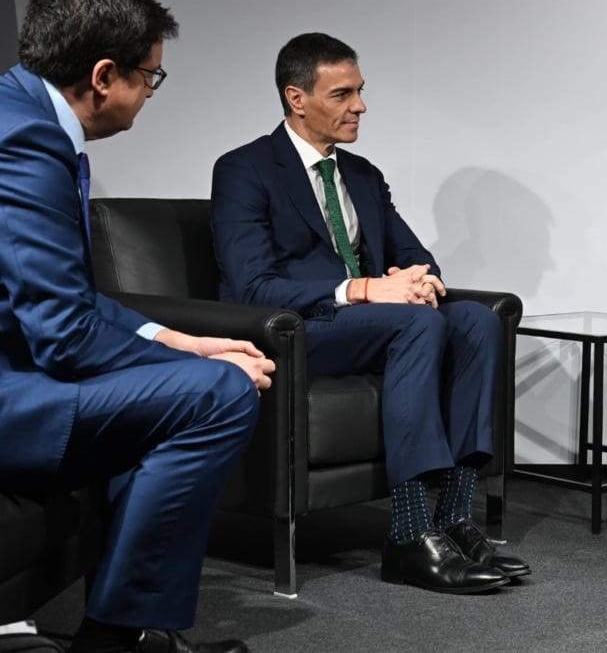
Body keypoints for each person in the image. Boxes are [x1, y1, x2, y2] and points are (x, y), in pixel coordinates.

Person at [0, 0, 276, 652]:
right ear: (103, 76)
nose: (152, 93)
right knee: (219, 394)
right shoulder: (25, 142)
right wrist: (197, 363)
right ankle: (120, 637)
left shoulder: (21, 112)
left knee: (187, 387)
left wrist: (178, 337)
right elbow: (63, 333)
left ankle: (138, 629)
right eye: (151, 77)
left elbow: (58, 294)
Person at [209, 33, 529, 595]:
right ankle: (407, 535)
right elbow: (252, 287)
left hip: (377, 325)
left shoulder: (361, 174)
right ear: (297, 98)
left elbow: (415, 256)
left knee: (476, 320)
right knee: (417, 321)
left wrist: (418, 279)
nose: (360, 105)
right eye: (342, 94)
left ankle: (452, 517)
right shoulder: (245, 170)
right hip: (299, 330)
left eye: (360, 91)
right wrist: (360, 290)